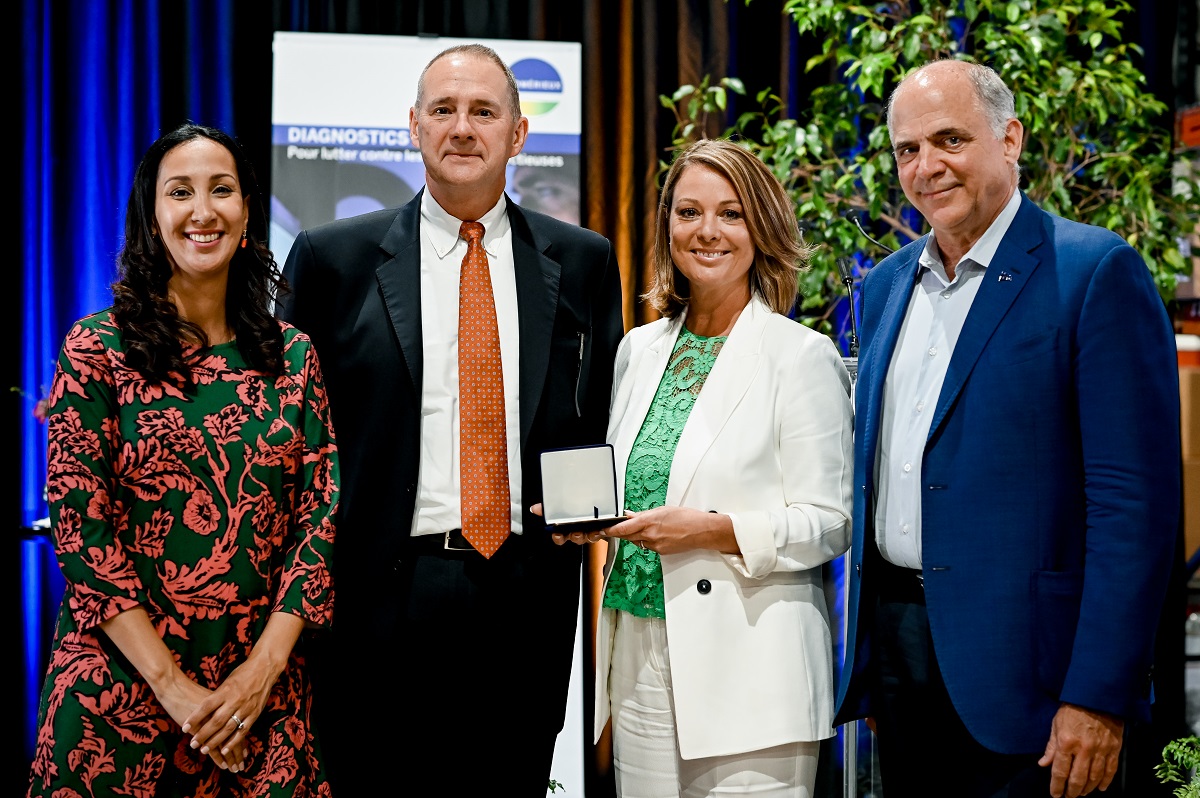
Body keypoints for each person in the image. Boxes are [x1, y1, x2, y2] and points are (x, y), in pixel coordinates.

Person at [276, 43, 624, 794]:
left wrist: (585, 507)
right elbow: (288, 445)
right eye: (443, 110)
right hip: (378, 599)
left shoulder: (584, 260)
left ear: (519, 133)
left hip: (523, 597)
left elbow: (596, 414)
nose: (462, 128)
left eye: (483, 111)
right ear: (413, 127)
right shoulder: (330, 261)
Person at [834, 59, 1181, 798]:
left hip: (1037, 682)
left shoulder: (1094, 272)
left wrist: (1097, 694)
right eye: (906, 150)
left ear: (1010, 138)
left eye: (950, 139)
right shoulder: (887, 282)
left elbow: (1135, 511)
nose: (926, 167)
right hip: (900, 656)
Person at [26, 123, 339, 797]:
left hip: (258, 704)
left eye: (221, 190)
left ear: (248, 213)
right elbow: (82, 528)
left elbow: (320, 521)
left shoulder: (294, 356)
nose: (203, 211)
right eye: (180, 192)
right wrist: (171, 686)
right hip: (118, 698)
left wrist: (260, 673)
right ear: (153, 217)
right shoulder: (96, 348)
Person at [550, 137, 854, 796]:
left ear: (762, 228)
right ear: (667, 227)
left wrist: (710, 530)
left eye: (731, 213)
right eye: (689, 212)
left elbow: (830, 522)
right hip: (638, 658)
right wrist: (593, 521)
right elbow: (641, 485)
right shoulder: (639, 349)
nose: (707, 231)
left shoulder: (799, 356)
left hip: (750, 672)